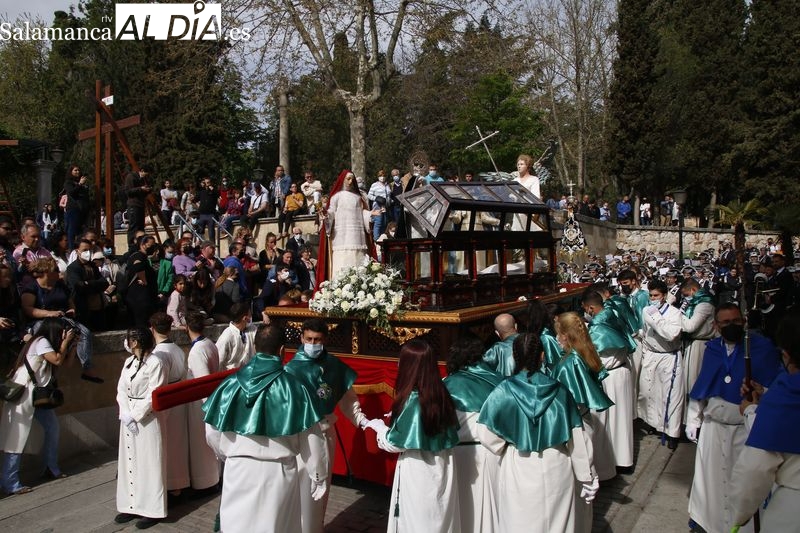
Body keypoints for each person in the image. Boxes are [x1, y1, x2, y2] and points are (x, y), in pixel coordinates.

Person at [203, 322, 328, 533]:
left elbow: (212, 430)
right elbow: (311, 436)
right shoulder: (294, 388)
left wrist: (227, 454)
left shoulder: (230, 383)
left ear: (254, 345)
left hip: (238, 469)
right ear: (282, 350)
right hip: (278, 472)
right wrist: (318, 473)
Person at [477, 333, 598, 532]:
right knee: (558, 523)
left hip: (519, 464)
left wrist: (505, 444)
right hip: (556, 462)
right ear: (542, 355)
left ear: (515, 357)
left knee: (519, 522)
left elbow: (487, 433)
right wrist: (586, 475)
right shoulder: (560, 391)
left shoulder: (503, 391)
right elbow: (577, 435)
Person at [686, 303, 783, 533]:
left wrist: (762, 391)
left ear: (744, 322)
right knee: (711, 483)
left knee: (739, 482)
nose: (732, 326)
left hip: (744, 429)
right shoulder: (712, 349)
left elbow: (777, 386)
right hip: (713, 427)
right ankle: (709, 524)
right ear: (717, 326)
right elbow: (703, 385)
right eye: (726, 323)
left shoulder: (761, 348)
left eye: (736, 322)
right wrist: (693, 418)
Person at [284, 318, 370, 533]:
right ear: (302, 338)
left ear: (325, 340)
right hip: (299, 435)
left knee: (320, 488)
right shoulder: (290, 370)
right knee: (299, 487)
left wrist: (361, 419)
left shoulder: (333, 366)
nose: (313, 343)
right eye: (309, 339)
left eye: (318, 340)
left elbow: (347, 399)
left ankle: (316, 528)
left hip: (324, 432)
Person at [370, 339, 460, 533]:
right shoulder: (442, 393)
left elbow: (395, 443)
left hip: (418, 472)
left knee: (416, 523)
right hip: (442, 468)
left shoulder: (413, 400)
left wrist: (379, 428)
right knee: (439, 519)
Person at [730, 313, 800, 532]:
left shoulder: (785, 399)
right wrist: (766, 393)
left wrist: (751, 411)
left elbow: (754, 471)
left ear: (787, 355)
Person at [0, 318, 75, 495]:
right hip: (24, 394)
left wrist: (72, 348)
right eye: (64, 331)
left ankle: (51, 467)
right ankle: (9, 481)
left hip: (36, 395)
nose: (66, 334)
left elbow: (65, 364)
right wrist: (65, 342)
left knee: (52, 429)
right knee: (15, 438)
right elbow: (56, 360)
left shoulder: (46, 343)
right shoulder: (41, 342)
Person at [552, 311, 613, 528]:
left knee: (578, 483)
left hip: (576, 425)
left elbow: (567, 400)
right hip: (585, 420)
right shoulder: (583, 352)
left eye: (558, 335)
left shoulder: (569, 364)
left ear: (566, 336)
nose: (556, 339)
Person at [443, 335, 503, 532]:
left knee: (464, 510)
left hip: (461, 455)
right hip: (494, 452)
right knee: (491, 510)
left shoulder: (446, 384)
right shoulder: (500, 380)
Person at [113, 327, 168, 529]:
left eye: (129, 339)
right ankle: (130, 504)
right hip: (128, 417)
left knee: (149, 461)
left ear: (135, 342)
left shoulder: (155, 363)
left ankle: (152, 508)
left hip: (146, 418)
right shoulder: (129, 362)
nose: (127, 343)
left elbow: (154, 392)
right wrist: (125, 413)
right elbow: (120, 389)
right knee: (129, 462)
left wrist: (136, 415)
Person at [20, 257, 101, 383]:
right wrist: (49, 313)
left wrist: (72, 309)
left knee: (84, 333)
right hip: (42, 320)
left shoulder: (60, 285)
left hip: (63, 318)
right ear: (46, 272)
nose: (59, 273)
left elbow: (69, 301)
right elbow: (28, 308)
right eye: (55, 270)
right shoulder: (32, 287)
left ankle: (87, 367)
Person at [583, 290, 636, 474]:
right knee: (621, 418)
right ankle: (623, 458)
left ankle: (614, 460)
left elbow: (595, 356)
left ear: (590, 308)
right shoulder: (613, 313)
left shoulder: (598, 325)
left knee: (612, 421)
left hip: (610, 374)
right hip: (622, 370)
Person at [638, 279, 684, 448]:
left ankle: (672, 432)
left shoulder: (674, 314)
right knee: (648, 391)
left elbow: (671, 334)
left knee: (670, 395)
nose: (653, 299)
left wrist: (656, 318)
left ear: (664, 296)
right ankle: (653, 423)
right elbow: (645, 332)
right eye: (650, 295)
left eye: (656, 295)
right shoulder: (646, 310)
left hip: (668, 356)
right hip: (651, 354)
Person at [149, 312, 190, 498]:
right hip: (179, 397)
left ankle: (172, 485)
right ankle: (179, 482)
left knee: (167, 445)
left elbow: (158, 381)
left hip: (166, 400)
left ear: (152, 329)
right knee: (178, 443)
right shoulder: (178, 349)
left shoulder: (159, 354)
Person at [183, 312, 221, 494]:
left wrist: (208, 408)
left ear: (186, 328)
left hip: (202, 403)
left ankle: (205, 482)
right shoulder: (209, 344)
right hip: (209, 399)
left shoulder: (197, 350)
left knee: (202, 444)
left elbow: (202, 380)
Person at [321, 171, 379, 278]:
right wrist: (326, 214)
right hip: (341, 237)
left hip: (357, 236)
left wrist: (370, 213)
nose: (350, 181)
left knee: (358, 261)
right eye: (348, 179)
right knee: (342, 260)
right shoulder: (336, 197)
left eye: (352, 179)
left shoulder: (358, 197)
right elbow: (331, 212)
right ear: (342, 180)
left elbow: (361, 213)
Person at [679, 278, 717, 410]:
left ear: (694, 290)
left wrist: (678, 314)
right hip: (692, 344)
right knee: (687, 381)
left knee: (694, 382)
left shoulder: (704, 304)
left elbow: (690, 326)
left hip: (701, 345)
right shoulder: (695, 303)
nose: (685, 299)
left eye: (686, 295)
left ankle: (696, 417)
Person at [125, 235, 159, 328]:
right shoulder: (139, 256)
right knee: (141, 325)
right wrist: (144, 279)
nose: (152, 247)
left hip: (143, 298)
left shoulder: (144, 257)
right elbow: (138, 267)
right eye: (150, 245)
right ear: (143, 245)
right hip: (138, 299)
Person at [215, 301, 257, 370]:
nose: (251, 317)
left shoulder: (253, 329)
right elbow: (218, 361)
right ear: (245, 318)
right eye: (250, 315)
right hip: (232, 376)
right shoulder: (227, 336)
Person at [123, 165, 153, 250]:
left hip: (140, 205)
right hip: (133, 205)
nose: (147, 176)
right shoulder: (131, 177)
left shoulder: (143, 180)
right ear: (142, 171)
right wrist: (140, 188)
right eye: (146, 174)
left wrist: (147, 190)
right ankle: (132, 246)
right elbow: (128, 191)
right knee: (133, 227)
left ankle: (141, 244)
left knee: (140, 227)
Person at [63, 165, 91, 250]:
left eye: (78, 170)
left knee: (82, 231)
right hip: (73, 208)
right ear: (71, 171)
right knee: (72, 230)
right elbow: (71, 192)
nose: (77, 172)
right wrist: (79, 184)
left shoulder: (82, 184)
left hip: (82, 209)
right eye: (75, 170)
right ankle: (71, 249)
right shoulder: (68, 182)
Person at [367, 171, 392, 241]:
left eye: (384, 176)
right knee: (378, 223)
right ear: (378, 177)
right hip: (378, 206)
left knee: (385, 223)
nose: (382, 177)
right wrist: (376, 198)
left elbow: (389, 195)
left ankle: (382, 240)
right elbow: (369, 195)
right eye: (381, 176)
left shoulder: (388, 185)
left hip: (386, 207)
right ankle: (376, 240)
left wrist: (390, 201)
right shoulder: (374, 185)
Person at [195, 176, 220, 242]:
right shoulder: (201, 192)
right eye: (205, 183)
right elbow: (194, 200)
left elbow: (218, 195)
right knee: (200, 231)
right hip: (202, 214)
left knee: (211, 232)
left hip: (211, 214)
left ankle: (212, 246)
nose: (207, 184)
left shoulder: (214, 191)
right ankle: (199, 245)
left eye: (208, 182)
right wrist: (198, 207)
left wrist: (213, 190)